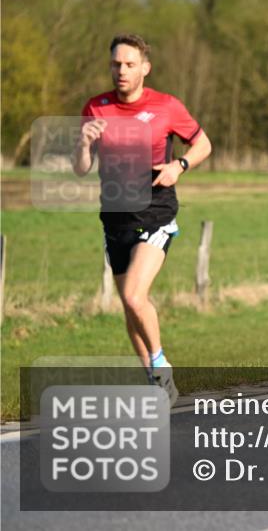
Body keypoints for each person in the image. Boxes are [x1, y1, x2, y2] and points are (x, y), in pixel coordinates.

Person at [73, 34, 212, 403]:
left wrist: (179, 165)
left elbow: (203, 144)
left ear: (144, 69)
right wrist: (84, 144)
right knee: (130, 307)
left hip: (155, 211)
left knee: (135, 295)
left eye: (129, 64)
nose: (121, 71)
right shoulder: (95, 108)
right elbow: (81, 169)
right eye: (116, 64)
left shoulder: (166, 106)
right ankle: (155, 382)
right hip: (114, 217)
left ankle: (160, 366)